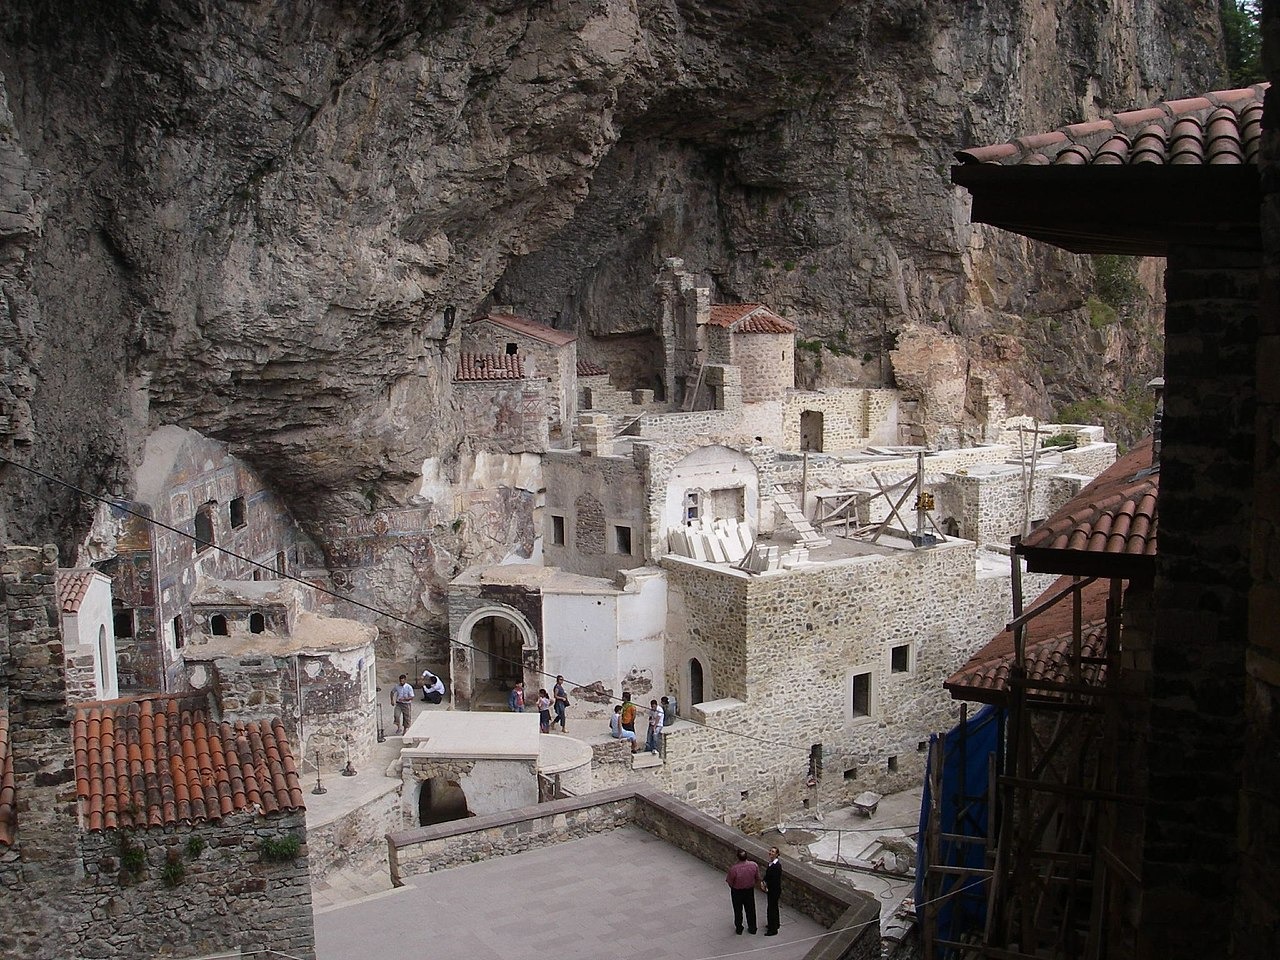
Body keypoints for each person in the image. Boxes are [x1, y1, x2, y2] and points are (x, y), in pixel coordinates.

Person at [725, 849, 760, 935]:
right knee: (751, 909)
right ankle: (752, 928)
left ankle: (739, 928)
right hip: (749, 890)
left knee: (738, 910)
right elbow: (757, 878)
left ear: (737, 857)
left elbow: (730, 882)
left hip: (737, 892)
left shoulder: (734, 869)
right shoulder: (754, 865)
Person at [763, 846, 783, 936]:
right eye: (770, 851)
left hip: (774, 890)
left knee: (771, 909)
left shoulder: (776, 866)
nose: (770, 853)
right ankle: (775, 924)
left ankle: (773, 929)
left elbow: (774, 880)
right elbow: (768, 875)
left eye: (773, 852)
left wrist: (767, 887)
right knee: (773, 907)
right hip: (773, 889)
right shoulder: (771, 863)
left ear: (777, 854)